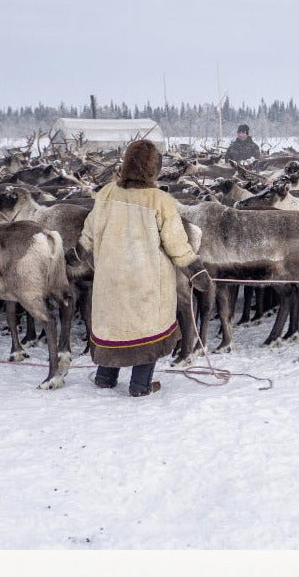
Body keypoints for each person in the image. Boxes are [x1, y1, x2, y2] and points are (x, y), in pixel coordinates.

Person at [75, 139, 212, 397]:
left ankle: (105, 376)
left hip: (110, 279)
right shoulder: (159, 200)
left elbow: (89, 233)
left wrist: (76, 254)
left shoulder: (106, 193)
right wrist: (196, 271)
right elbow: (176, 243)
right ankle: (140, 385)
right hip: (146, 282)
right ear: (153, 169)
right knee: (146, 328)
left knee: (113, 324)